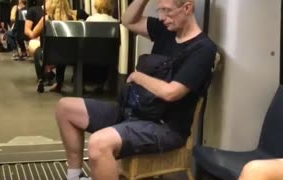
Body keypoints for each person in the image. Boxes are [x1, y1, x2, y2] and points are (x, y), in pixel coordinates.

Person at [55, 0, 217, 180]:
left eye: (167, 11)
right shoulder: (165, 30)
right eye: (159, 10)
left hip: (164, 126)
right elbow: (128, 20)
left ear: (187, 8)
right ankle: (74, 176)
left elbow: (171, 92)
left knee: (98, 143)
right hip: (133, 110)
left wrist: (138, 76)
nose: (162, 17)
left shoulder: (203, 49)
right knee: (65, 108)